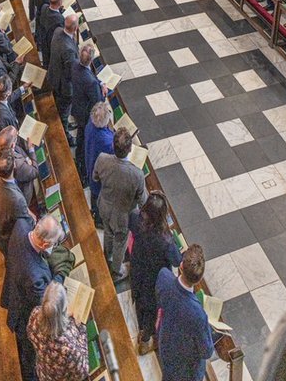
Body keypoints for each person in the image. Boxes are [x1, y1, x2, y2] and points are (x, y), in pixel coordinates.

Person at [1, 216, 63, 381]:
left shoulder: (21, 225)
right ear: (45, 245)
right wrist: (60, 275)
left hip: (14, 288)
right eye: (53, 244)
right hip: (25, 315)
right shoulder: (34, 276)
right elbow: (46, 300)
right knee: (29, 355)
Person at [129, 192, 181, 355]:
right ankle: (145, 341)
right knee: (151, 311)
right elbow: (176, 261)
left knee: (139, 301)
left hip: (137, 270)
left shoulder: (135, 218)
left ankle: (141, 328)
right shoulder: (165, 239)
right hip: (154, 279)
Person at [155, 244, 215, 381]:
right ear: (199, 279)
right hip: (186, 368)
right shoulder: (198, 314)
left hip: (166, 346)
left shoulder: (164, 276)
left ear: (181, 266)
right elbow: (206, 351)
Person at [93, 127, 146, 281]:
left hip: (104, 206)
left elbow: (95, 177)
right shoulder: (137, 174)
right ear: (130, 149)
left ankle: (107, 255)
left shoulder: (102, 158)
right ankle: (116, 271)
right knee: (120, 242)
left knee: (108, 232)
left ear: (113, 145)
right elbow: (142, 201)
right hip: (122, 216)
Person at [27, 281, 89, 381]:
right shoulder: (67, 347)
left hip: (43, 372)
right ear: (63, 310)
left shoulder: (34, 314)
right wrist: (81, 329)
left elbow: (31, 334)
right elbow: (83, 372)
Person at [71, 45, 103, 183]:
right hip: (85, 114)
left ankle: (78, 156)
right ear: (91, 59)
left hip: (77, 107)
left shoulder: (74, 65)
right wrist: (103, 91)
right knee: (85, 141)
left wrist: (99, 83)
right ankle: (83, 171)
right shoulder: (91, 82)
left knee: (80, 135)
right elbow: (98, 102)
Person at [0, 150, 31, 255]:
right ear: (14, 165)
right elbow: (27, 222)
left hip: (1, 222)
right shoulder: (17, 199)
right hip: (10, 237)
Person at [48, 12, 79, 123]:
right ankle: (65, 128)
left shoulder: (57, 31)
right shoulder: (69, 50)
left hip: (53, 75)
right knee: (64, 111)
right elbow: (70, 72)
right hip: (64, 86)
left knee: (59, 104)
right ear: (75, 28)